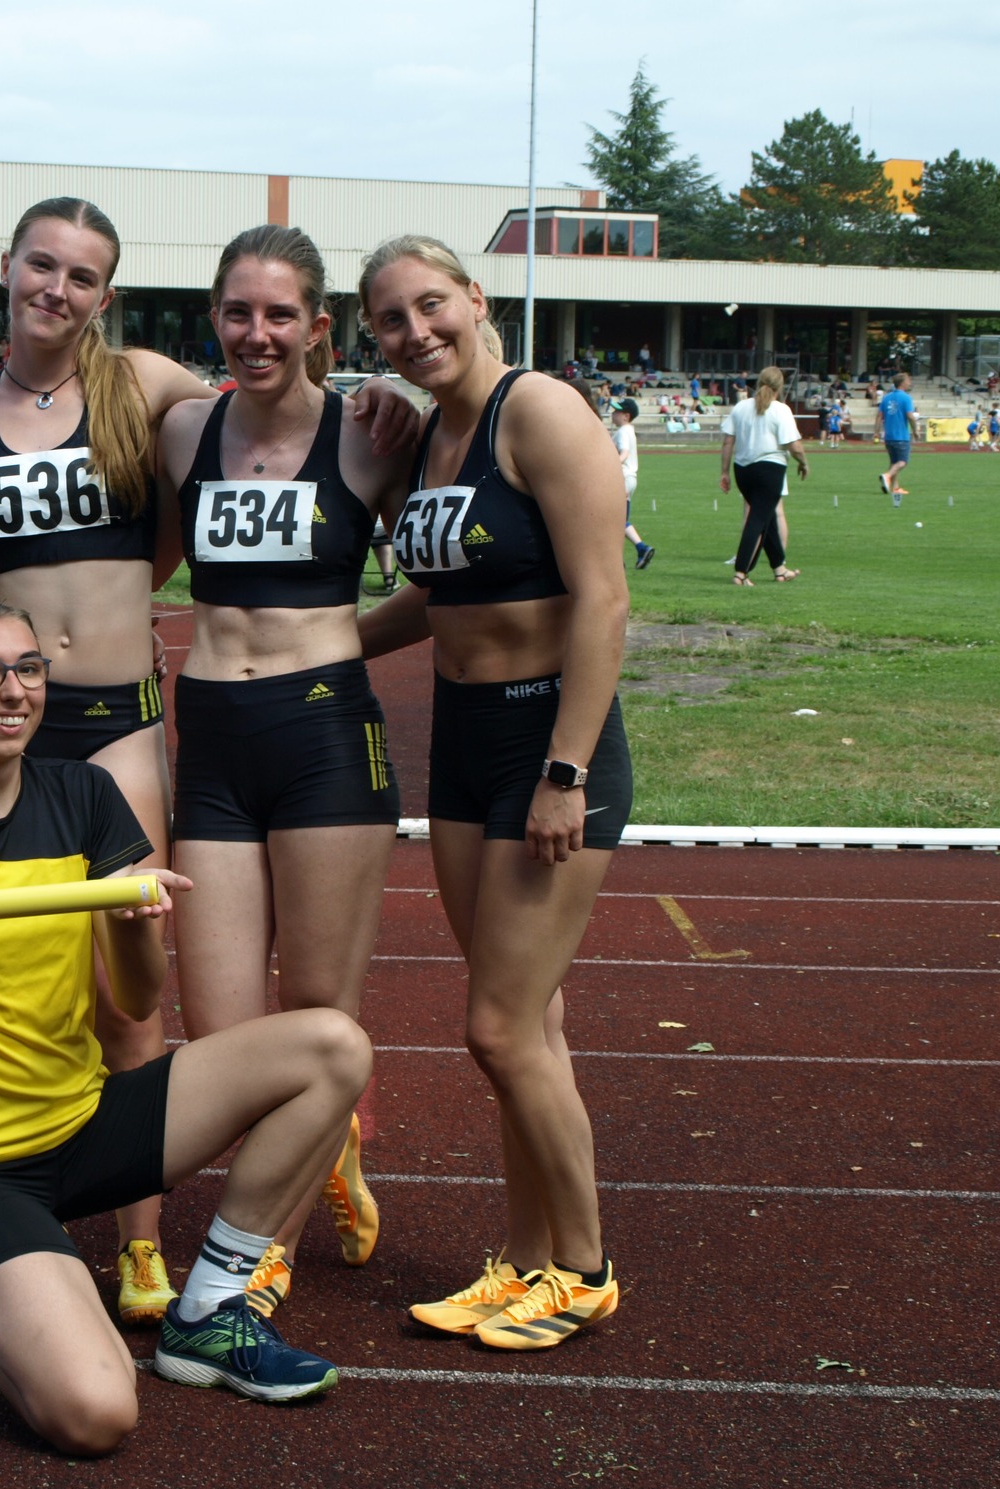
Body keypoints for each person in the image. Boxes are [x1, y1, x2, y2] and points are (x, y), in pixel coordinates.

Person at [0, 196, 418, 1323]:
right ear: (6, 266)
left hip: (124, 715)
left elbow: (256, 430)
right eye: (41, 266)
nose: (55, 289)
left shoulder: (150, 388)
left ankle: (141, 1247)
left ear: (107, 296)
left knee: (132, 986)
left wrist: (382, 392)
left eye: (82, 276)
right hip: (15, 715)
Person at [0, 596, 374, 1454]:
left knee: (332, 1047)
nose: (14, 690)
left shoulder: (85, 793)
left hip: (82, 1124)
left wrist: (130, 926)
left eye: (29, 668)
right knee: (97, 1415)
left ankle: (209, 1311)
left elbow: (139, 1002)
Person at [357, 234, 630, 1351]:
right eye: (390, 320)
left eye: (431, 305)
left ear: (474, 299)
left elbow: (603, 600)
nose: (414, 331)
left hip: (544, 745)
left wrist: (565, 772)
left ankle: (584, 1270)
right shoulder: (432, 438)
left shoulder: (540, 413)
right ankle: (521, 1261)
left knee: (501, 1028)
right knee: (528, 1028)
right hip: (464, 745)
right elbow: (438, 600)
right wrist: (318, 648)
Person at [155, 225, 408, 1316]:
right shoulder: (182, 429)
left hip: (323, 739)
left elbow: (446, 568)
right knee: (220, 1036)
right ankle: (326, 1148)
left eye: (278, 315)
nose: (255, 333)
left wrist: (343, 640)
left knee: (315, 1012)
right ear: (214, 317)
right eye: (237, 312)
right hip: (212, 735)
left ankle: (260, 1260)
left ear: (317, 326)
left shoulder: (372, 434)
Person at [720, 366, 808, 585]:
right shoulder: (781, 410)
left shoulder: (741, 407)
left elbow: (728, 441)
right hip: (770, 469)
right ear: (780, 387)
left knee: (766, 517)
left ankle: (780, 569)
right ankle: (741, 572)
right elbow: (794, 446)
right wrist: (803, 463)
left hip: (743, 470)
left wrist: (724, 472)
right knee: (758, 519)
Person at [609, 398, 654, 568]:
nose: (613, 414)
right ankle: (639, 550)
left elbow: (624, 453)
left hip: (622, 477)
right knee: (620, 520)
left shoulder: (623, 432)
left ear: (626, 416)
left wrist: (612, 464)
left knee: (614, 520)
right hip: (629, 478)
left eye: (617, 411)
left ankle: (639, 549)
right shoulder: (629, 430)